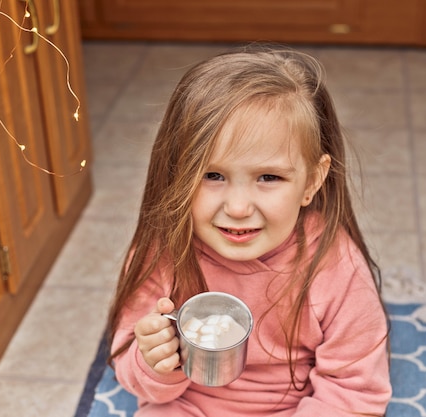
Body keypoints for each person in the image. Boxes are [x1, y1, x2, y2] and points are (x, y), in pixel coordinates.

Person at [106, 45, 392, 417]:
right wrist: (154, 361)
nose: (238, 208)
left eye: (268, 177)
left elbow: (354, 394)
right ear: (176, 174)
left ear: (312, 181)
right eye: (212, 175)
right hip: (187, 405)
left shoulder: (337, 266)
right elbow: (133, 376)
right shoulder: (163, 252)